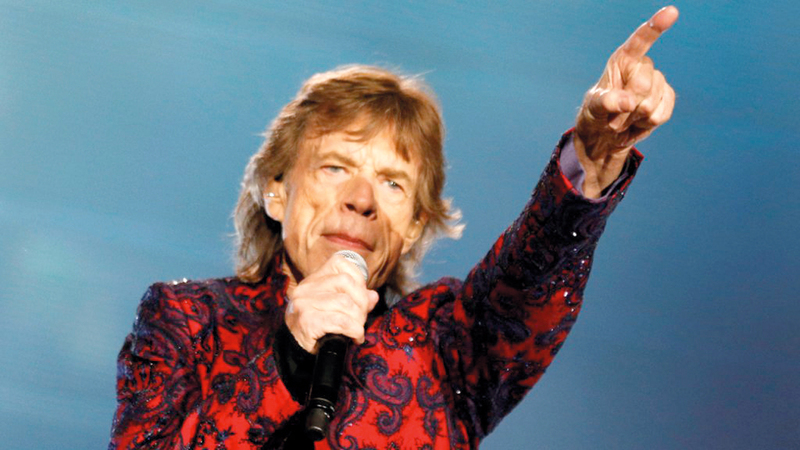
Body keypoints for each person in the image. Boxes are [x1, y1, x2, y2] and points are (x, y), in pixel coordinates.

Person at [109, 6, 678, 449]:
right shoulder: (187, 320)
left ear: (413, 226)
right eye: (335, 168)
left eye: (392, 183)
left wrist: (594, 157)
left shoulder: (445, 344)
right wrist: (289, 359)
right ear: (277, 191)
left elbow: (530, 277)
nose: (362, 200)